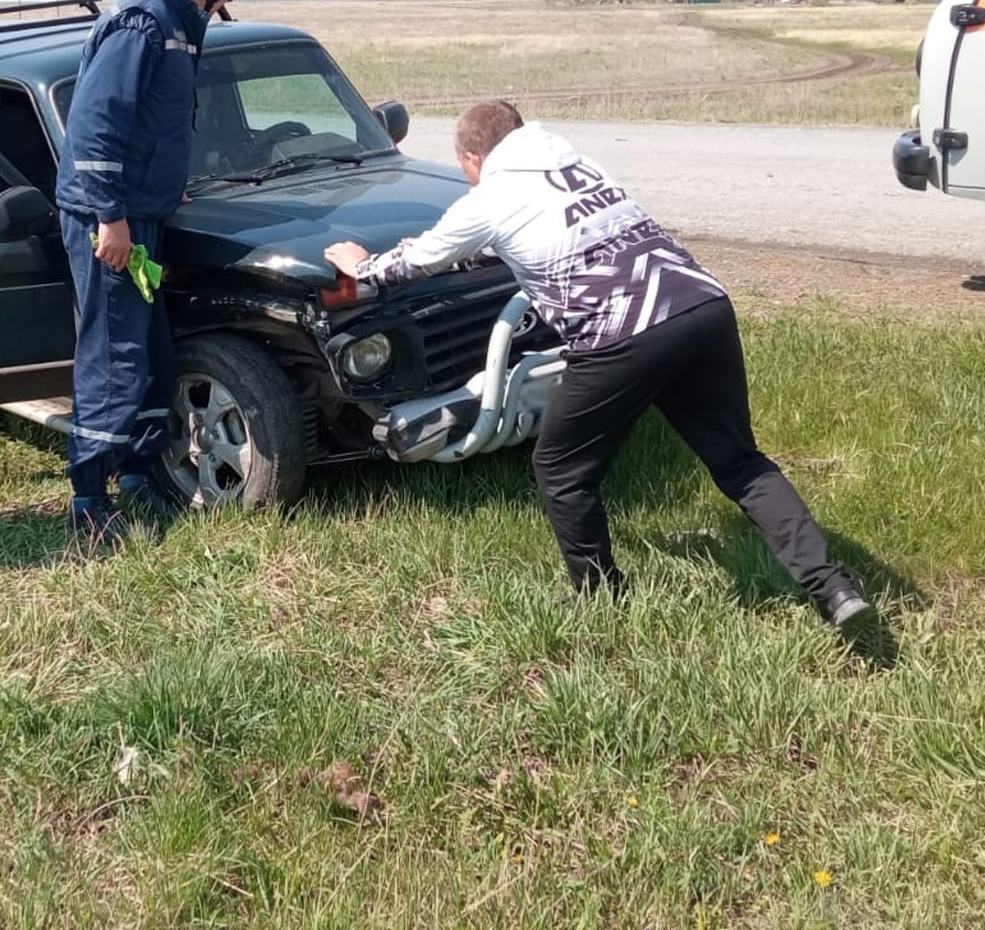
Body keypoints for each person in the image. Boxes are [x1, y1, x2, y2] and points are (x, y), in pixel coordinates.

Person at [324, 100, 871, 627]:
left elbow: (411, 264)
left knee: (560, 466)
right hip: (703, 307)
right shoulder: (576, 164)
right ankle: (833, 588)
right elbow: (531, 237)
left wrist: (358, 265)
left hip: (624, 334)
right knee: (739, 463)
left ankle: (600, 596)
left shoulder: (490, 194)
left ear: (472, 159)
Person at [55, 0, 266, 544]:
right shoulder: (143, 21)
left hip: (141, 210)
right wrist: (111, 217)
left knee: (150, 350)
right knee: (116, 356)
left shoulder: (177, 24)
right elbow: (96, 127)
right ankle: (90, 503)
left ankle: (139, 481)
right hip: (110, 215)